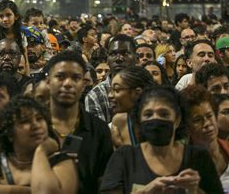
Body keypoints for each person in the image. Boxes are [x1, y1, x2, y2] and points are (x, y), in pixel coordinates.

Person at [101, 86, 223, 193]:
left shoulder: (198, 157)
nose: (155, 119)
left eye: (164, 114)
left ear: (177, 119)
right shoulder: (124, 157)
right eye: (148, 114)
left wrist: (194, 191)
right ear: (139, 120)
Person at [0, 96, 78, 194]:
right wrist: (25, 191)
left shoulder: (61, 160)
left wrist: (40, 152)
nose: (36, 125)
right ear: (9, 133)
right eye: (25, 121)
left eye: (39, 118)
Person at [46, 51, 113, 193]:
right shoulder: (30, 125)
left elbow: (104, 183)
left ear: (83, 84)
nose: (68, 84)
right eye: (60, 76)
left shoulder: (99, 129)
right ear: (48, 82)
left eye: (76, 78)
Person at [180, 85, 229, 192]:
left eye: (209, 116)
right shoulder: (182, 164)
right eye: (197, 120)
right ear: (186, 127)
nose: (207, 124)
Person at [85, 34, 138, 123]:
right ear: (107, 59)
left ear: (136, 57)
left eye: (125, 53)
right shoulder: (96, 95)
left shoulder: (146, 89)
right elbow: (100, 135)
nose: (118, 59)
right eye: (113, 54)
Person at [108, 66, 155, 148]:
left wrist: (120, 145)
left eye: (117, 89)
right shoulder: (119, 121)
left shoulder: (157, 120)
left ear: (137, 93)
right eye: (111, 90)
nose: (110, 95)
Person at [0, 0, 29, 74]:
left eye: (8, 15)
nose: (5, 19)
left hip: (17, 71)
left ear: (16, 16)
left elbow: (25, 60)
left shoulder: (21, 33)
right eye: (1, 16)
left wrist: (27, 79)